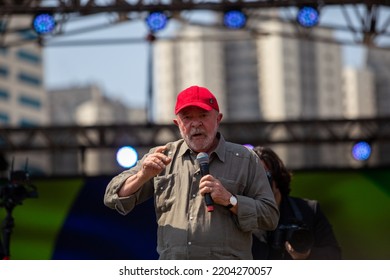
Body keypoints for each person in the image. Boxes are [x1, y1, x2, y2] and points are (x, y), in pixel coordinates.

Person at [104, 85, 279, 260]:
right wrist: (142, 176)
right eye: (187, 118)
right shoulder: (161, 156)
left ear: (218, 119)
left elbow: (270, 216)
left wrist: (230, 200)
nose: (195, 124)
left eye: (203, 115)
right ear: (177, 124)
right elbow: (112, 197)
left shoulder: (245, 159)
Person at [251, 146, 342, 260]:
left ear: (277, 178)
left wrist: (306, 254)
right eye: (251, 177)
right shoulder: (239, 215)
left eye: (263, 176)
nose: (258, 183)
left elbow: (334, 256)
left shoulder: (309, 210)